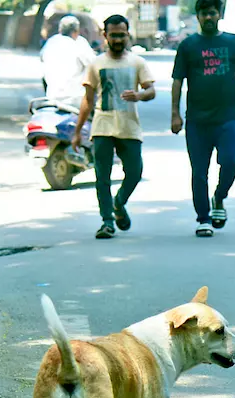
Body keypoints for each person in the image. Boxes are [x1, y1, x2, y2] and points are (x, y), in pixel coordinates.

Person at [171, 0, 235, 237]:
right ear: (198, 16)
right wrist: (175, 114)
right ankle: (203, 218)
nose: (208, 17)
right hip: (197, 120)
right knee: (199, 171)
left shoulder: (233, 42)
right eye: (204, 13)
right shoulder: (188, 45)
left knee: (231, 161)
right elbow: (177, 80)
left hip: (229, 116)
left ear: (219, 14)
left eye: (212, 13)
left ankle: (219, 197)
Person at [72, 14, 155, 239]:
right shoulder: (96, 64)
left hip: (129, 127)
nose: (117, 40)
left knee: (135, 172)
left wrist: (139, 95)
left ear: (128, 35)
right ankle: (107, 222)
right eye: (113, 35)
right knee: (102, 177)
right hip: (102, 127)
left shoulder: (137, 62)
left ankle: (119, 202)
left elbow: (151, 90)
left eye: (121, 35)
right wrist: (78, 131)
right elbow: (88, 100)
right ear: (105, 35)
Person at [40, 15, 96, 108]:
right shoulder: (80, 42)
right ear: (76, 31)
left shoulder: (51, 41)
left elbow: (42, 58)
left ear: (60, 30)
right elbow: (94, 65)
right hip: (75, 99)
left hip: (52, 97)